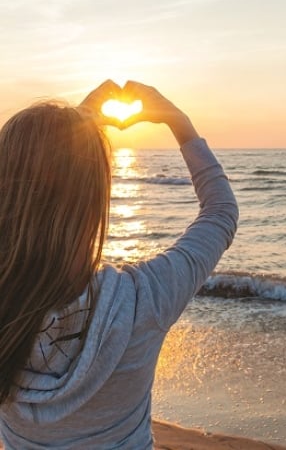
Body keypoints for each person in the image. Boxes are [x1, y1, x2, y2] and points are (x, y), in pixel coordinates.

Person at [0, 80, 238, 449]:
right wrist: (180, 123)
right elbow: (220, 212)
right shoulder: (144, 298)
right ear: (96, 194)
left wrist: (74, 130)